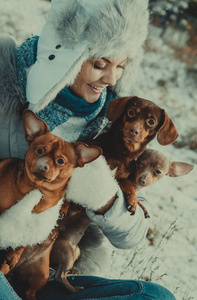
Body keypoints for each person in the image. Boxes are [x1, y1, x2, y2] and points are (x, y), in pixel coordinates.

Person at [0, 0, 176, 299]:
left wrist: (105, 198)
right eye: (100, 64)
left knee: (155, 296)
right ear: (65, 55)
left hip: (45, 269)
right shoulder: (7, 89)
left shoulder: (115, 126)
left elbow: (133, 235)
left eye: (121, 66)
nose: (111, 79)